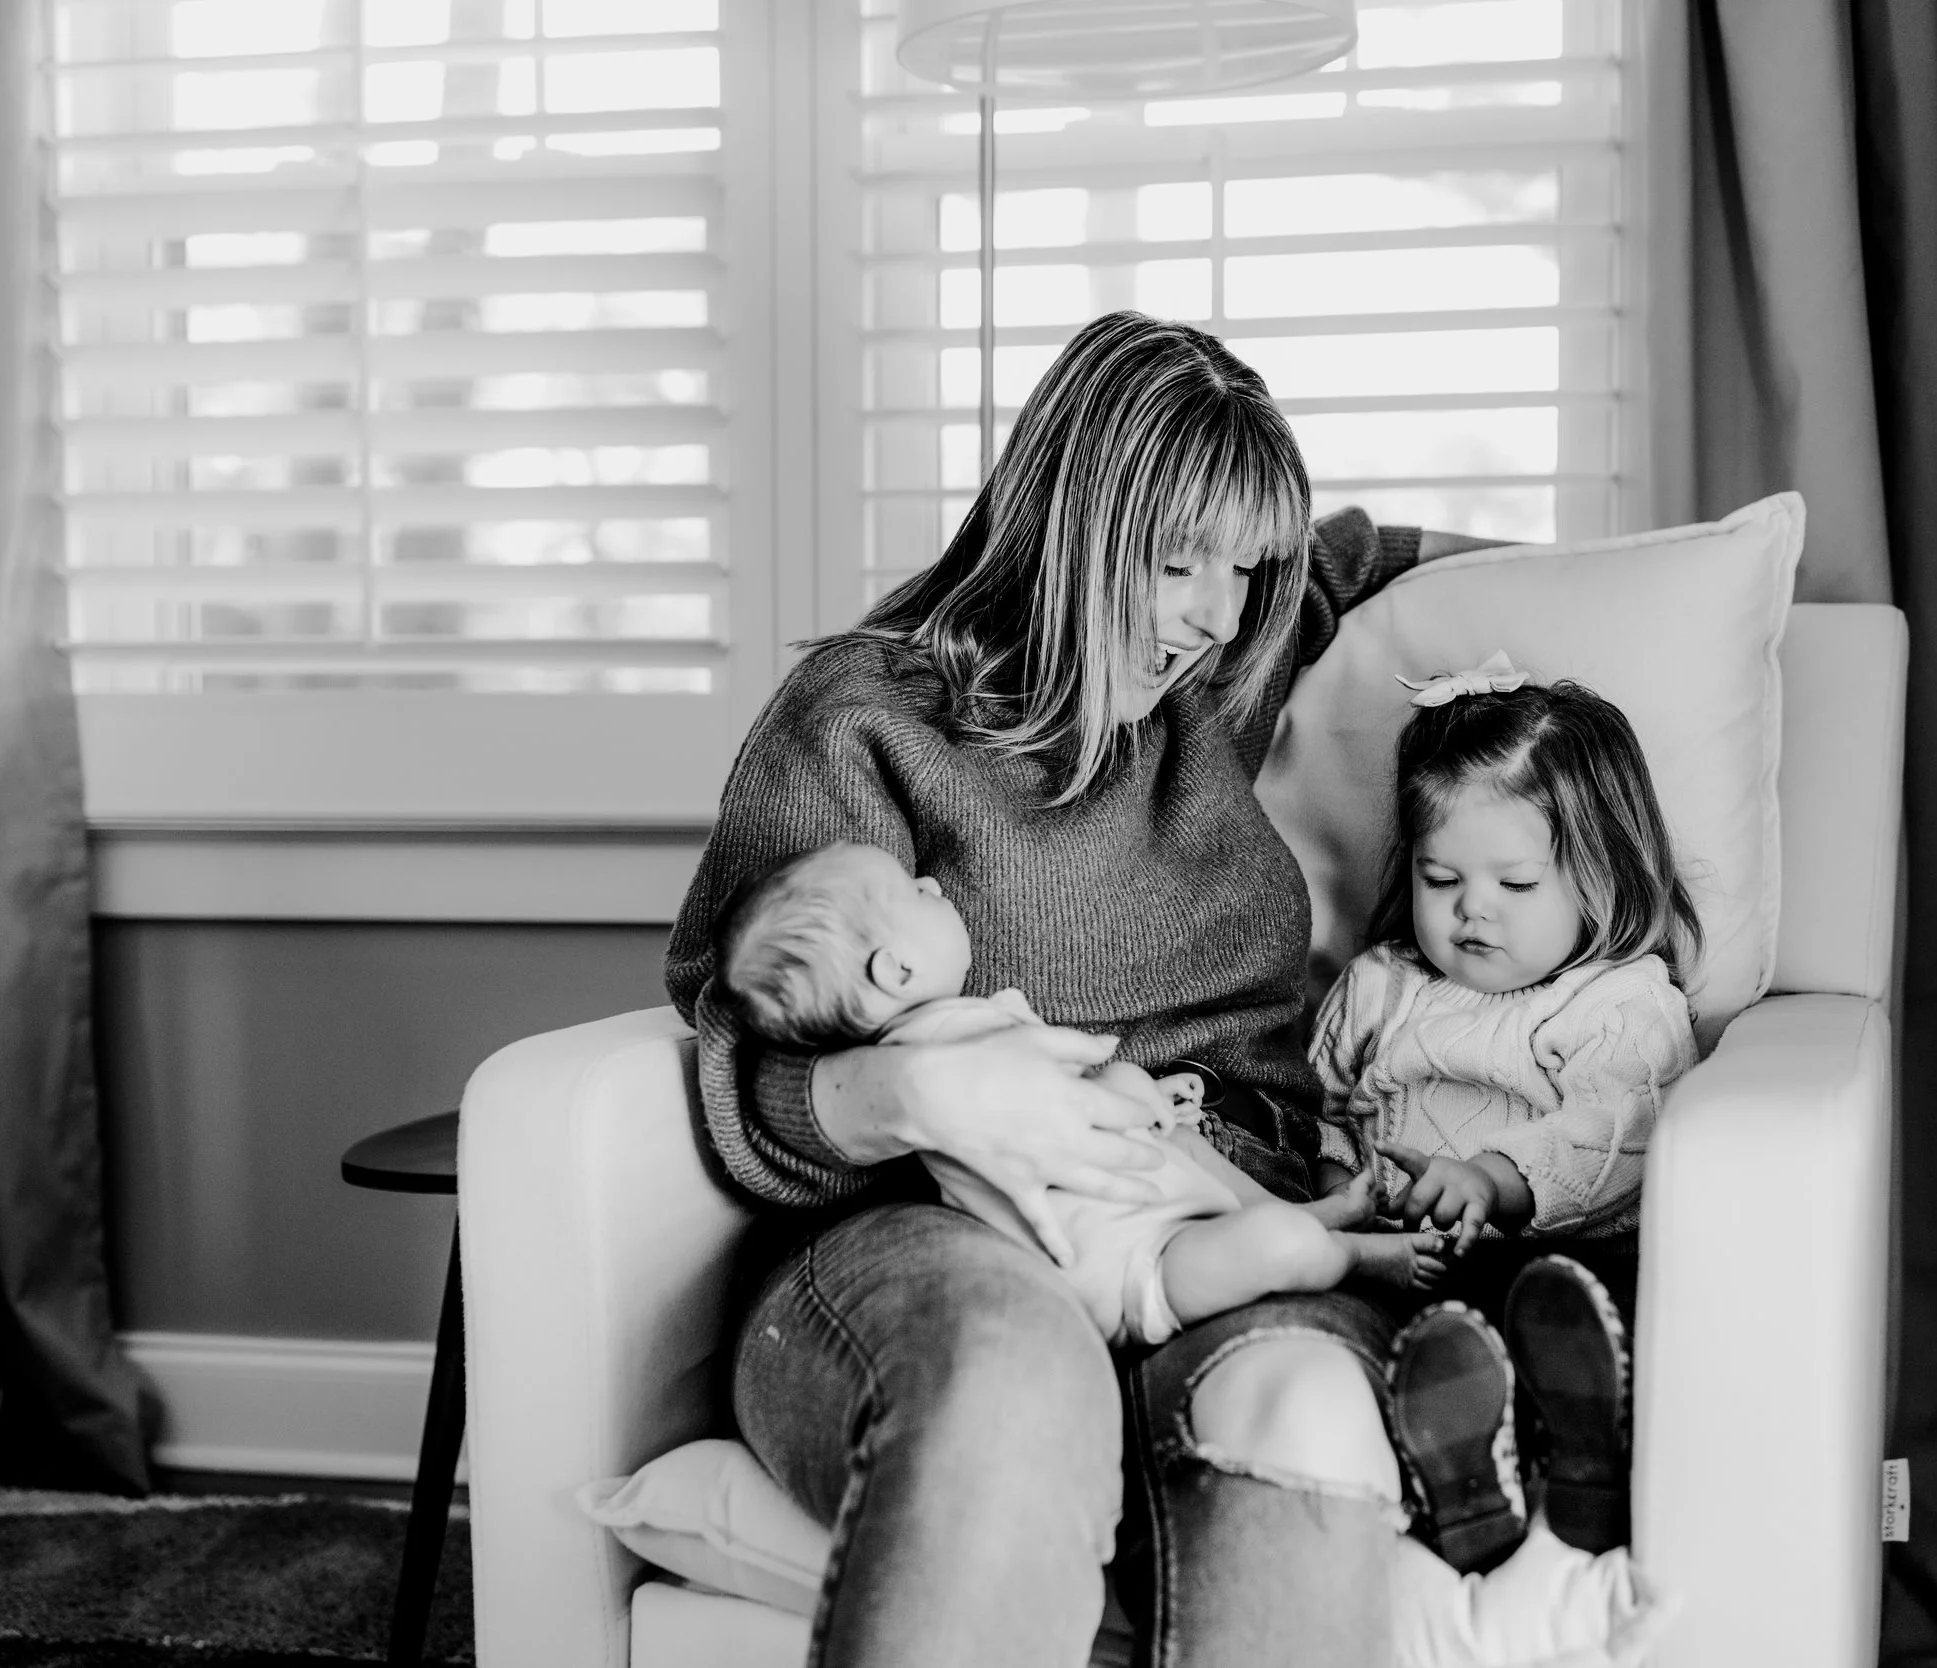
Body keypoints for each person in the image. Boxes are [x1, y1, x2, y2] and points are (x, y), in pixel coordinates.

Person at [666, 309, 1489, 1668]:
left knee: (1300, 1403)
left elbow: (1351, 553)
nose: (1216, 613)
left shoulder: (1210, 679)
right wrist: (916, 1090)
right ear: (1071, 526)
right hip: (937, 1231)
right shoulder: (870, 717)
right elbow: (740, 1048)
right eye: (1176, 562)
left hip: (1220, 1206)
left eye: (1244, 568)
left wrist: (1613, 576)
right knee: (1011, 1378)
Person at [1307, 654, 1700, 1600]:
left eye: (1515, 885)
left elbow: (1621, 1136)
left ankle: (1582, 1461)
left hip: (1558, 1259)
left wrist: (1490, 1178)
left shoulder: (1615, 1001)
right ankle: (1468, 1488)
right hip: (1405, 1263)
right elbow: (1325, 1104)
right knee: (1414, 1342)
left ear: (1600, 875)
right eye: (1443, 877)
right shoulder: (1382, 987)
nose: (1472, 908)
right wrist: (1336, 1196)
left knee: (1561, 1309)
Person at [713, 841, 1445, 1347]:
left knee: (1211, 1170)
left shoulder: (969, 1024)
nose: (933, 884)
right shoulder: (950, 1051)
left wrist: (1144, 1098)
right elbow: (1087, 1086)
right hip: (1134, 1267)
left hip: (1160, 1200)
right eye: (912, 891)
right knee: (1280, 1249)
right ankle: (1350, 1254)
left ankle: (1319, 1219)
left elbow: (1089, 1096)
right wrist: (1130, 1089)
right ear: (896, 972)